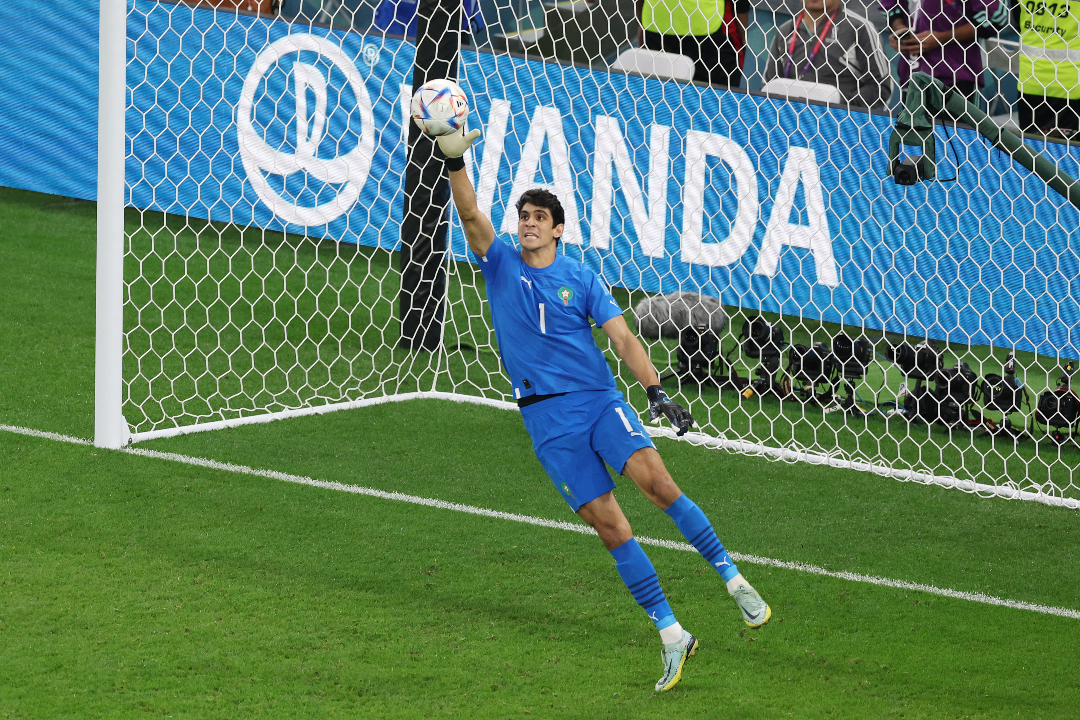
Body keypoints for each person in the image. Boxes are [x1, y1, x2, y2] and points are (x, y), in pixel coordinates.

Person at [431, 123, 771, 693]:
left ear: (558, 229)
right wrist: (453, 162)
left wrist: (656, 390)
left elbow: (623, 338)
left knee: (657, 484)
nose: (528, 223)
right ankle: (671, 635)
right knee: (611, 528)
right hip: (544, 420)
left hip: (596, 402)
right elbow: (470, 218)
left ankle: (733, 580)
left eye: (539, 217)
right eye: (524, 216)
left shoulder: (581, 278)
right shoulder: (501, 266)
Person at [763, 0, 892, 110]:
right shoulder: (785, 31)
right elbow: (768, 85)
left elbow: (881, 88)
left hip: (840, 125)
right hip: (788, 121)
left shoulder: (859, 29)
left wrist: (840, 105)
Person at [881, 0, 1009, 106]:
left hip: (956, 78)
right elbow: (889, 6)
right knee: (914, 136)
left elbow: (996, 16)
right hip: (911, 77)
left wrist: (942, 38)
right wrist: (900, 29)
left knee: (958, 136)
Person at [637, 0, 748, 86]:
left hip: (657, 26)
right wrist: (743, 36)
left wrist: (642, 21)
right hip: (711, 33)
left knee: (661, 96)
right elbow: (741, 6)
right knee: (716, 103)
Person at [1015, 0, 1080, 137]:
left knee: (1032, 152)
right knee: (1069, 154)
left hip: (1031, 83)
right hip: (1071, 86)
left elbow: (1016, 17)